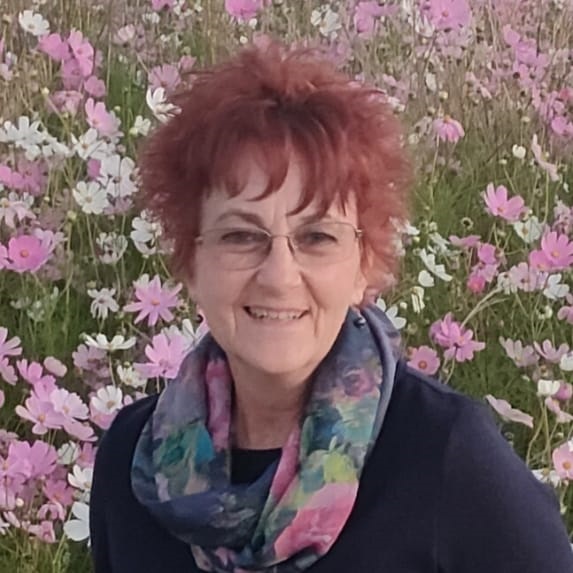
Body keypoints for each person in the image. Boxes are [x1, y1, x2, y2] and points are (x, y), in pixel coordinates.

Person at [89, 42, 573, 573]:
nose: (278, 276)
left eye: (317, 237)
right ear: (190, 261)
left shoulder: (448, 458)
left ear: (364, 265)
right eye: (240, 237)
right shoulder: (132, 461)